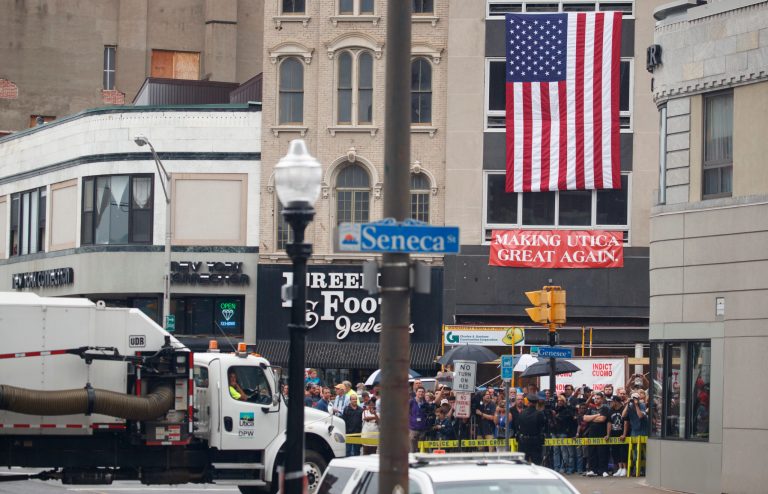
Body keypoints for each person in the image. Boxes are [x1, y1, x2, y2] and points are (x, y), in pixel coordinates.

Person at [583, 392, 611, 477]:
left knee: (602, 452)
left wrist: (591, 418)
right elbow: (585, 418)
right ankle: (592, 470)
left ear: (602, 399)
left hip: (602, 433)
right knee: (592, 452)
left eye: (598, 398)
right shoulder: (591, 408)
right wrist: (597, 415)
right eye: (595, 398)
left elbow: (602, 419)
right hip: (592, 433)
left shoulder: (605, 408)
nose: (596, 400)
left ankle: (603, 470)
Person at [516, 394, 547, 464]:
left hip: (523, 442)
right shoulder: (539, 414)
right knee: (536, 464)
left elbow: (518, 425)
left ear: (528, 402)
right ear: (536, 403)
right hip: (535, 442)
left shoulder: (522, 413)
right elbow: (542, 426)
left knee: (523, 464)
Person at [553, 394, 577, 474]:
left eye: (561, 401)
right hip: (554, 432)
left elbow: (570, 420)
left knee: (564, 451)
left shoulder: (567, 410)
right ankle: (556, 467)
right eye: (558, 401)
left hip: (563, 432)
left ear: (564, 402)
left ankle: (563, 467)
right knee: (556, 450)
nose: (559, 402)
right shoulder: (554, 409)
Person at [607, 396, 629, 477]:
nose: (610, 403)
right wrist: (608, 434)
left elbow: (626, 422)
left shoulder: (623, 409)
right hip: (614, 434)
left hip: (622, 433)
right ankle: (620, 468)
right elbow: (609, 423)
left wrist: (624, 434)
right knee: (615, 451)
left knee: (623, 451)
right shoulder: (610, 410)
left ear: (616, 401)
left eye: (611, 401)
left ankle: (625, 468)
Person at [408, 387, 430, 452]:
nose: (421, 393)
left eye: (422, 392)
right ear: (416, 392)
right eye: (419, 391)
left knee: (422, 450)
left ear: (424, 393)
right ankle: (412, 462)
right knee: (412, 450)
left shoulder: (425, 403)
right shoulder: (411, 402)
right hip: (413, 429)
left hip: (423, 429)